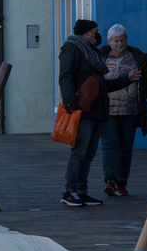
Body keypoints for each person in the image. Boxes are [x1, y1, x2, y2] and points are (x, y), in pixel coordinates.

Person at [58, 19, 139, 206]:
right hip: (81, 110)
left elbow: (102, 85)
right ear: (87, 33)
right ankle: (69, 191)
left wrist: (126, 79)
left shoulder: (92, 52)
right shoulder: (72, 49)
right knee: (79, 152)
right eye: (95, 31)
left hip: (95, 110)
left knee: (88, 153)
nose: (98, 34)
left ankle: (81, 191)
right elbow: (66, 76)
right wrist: (71, 106)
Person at [98, 24, 147, 197]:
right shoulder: (100, 57)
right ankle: (110, 180)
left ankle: (121, 182)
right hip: (108, 111)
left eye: (123, 40)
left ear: (127, 39)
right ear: (109, 41)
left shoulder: (137, 58)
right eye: (116, 40)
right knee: (109, 145)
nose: (120, 43)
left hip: (131, 111)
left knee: (126, 147)